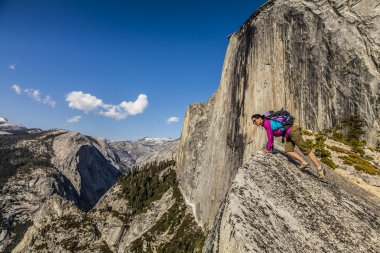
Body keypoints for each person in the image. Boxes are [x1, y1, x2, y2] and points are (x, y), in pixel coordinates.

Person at [251, 113, 326, 179]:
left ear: (259, 118)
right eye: (253, 121)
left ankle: (319, 168)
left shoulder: (266, 123)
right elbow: (272, 136)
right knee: (288, 150)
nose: (254, 123)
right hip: (288, 134)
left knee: (305, 150)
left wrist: (267, 150)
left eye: (254, 120)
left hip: (293, 132)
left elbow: (270, 138)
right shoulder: (266, 123)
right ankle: (304, 163)